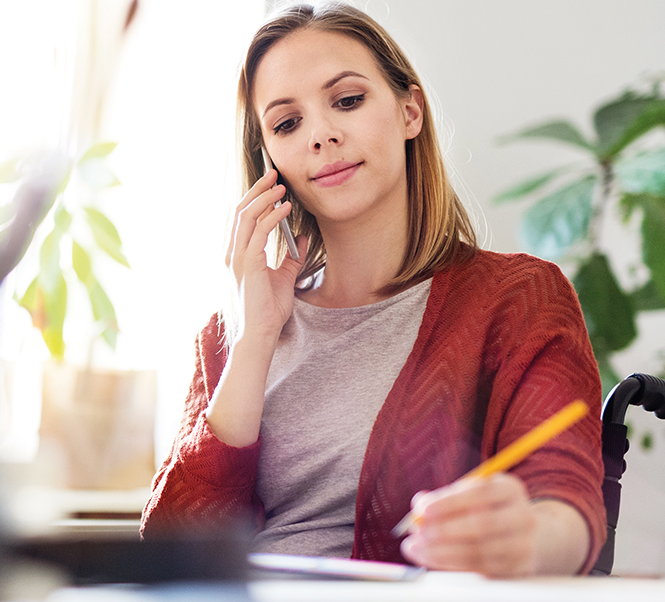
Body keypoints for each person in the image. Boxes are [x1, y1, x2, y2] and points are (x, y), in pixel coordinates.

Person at [140, 2, 605, 578]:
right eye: (287, 123)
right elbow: (166, 556)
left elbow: (568, 506)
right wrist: (254, 339)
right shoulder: (227, 333)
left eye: (348, 100)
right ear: (270, 163)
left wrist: (526, 540)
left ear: (410, 111)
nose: (322, 134)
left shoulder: (518, 298)